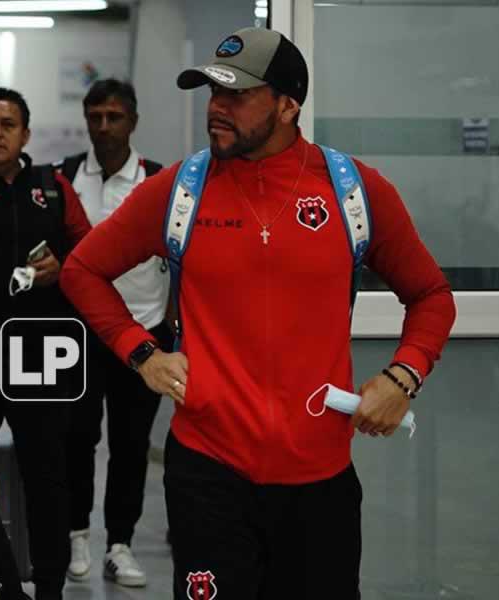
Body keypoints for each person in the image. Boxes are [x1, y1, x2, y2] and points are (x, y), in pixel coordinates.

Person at [60, 27, 457, 599]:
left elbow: (432, 297)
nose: (216, 109)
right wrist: (139, 351)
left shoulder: (354, 193)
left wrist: (404, 376)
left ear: (288, 104)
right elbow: (81, 271)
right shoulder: (180, 191)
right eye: (211, 94)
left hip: (320, 482)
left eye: (236, 95)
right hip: (209, 479)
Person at [0, 86, 92, 600]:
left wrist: (64, 268)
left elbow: (91, 255)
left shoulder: (52, 188)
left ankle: (48, 587)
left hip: (41, 352)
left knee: (48, 477)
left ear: (26, 133)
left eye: (8, 124)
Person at [55, 79, 168, 588]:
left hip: (143, 336)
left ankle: (119, 543)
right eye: (95, 116)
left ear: (133, 121)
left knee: (130, 445)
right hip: (78, 336)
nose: (104, 127)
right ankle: (77, 533)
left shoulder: (160, 184)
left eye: (114, 117)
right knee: (77, 440)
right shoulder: (63, 178)